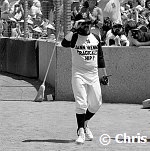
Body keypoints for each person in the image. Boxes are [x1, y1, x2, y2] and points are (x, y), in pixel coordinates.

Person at [61, 13, 109, 144]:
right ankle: (81, 131)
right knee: (81, 103)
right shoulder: (74, 37)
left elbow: (100, 58)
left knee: (96, 103)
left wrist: (104, 74)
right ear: (78, 25)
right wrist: (73, 28)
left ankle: (85, 123)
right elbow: (64, 43)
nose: (87, 26)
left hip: (93, 75)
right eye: (83, 24)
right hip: (79, 74)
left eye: (88, 23)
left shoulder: (95, 37)